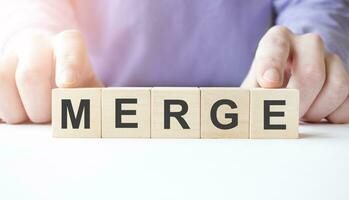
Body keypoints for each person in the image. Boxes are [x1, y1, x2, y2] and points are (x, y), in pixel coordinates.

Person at [0, 0, 348, 124]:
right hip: (91, 125)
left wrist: (308, 58)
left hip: (254, 126)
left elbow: (315, 5)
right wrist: (31, 36)